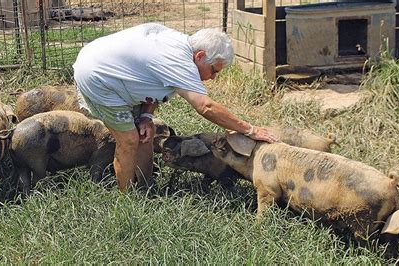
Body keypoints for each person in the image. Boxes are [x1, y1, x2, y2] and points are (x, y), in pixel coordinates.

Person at [73, 23, 278, 192]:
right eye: (213, 70)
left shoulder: (181, 45)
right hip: (97, 76)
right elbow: (205, 106)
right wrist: (249, 129)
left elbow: (150, 77)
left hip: (111, 69)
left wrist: (145, 115)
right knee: (129, 140)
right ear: (199, 56)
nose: (213, 77)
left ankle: (146, 188)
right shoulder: (180, 62)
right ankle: (126, 200)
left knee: (146, 130)